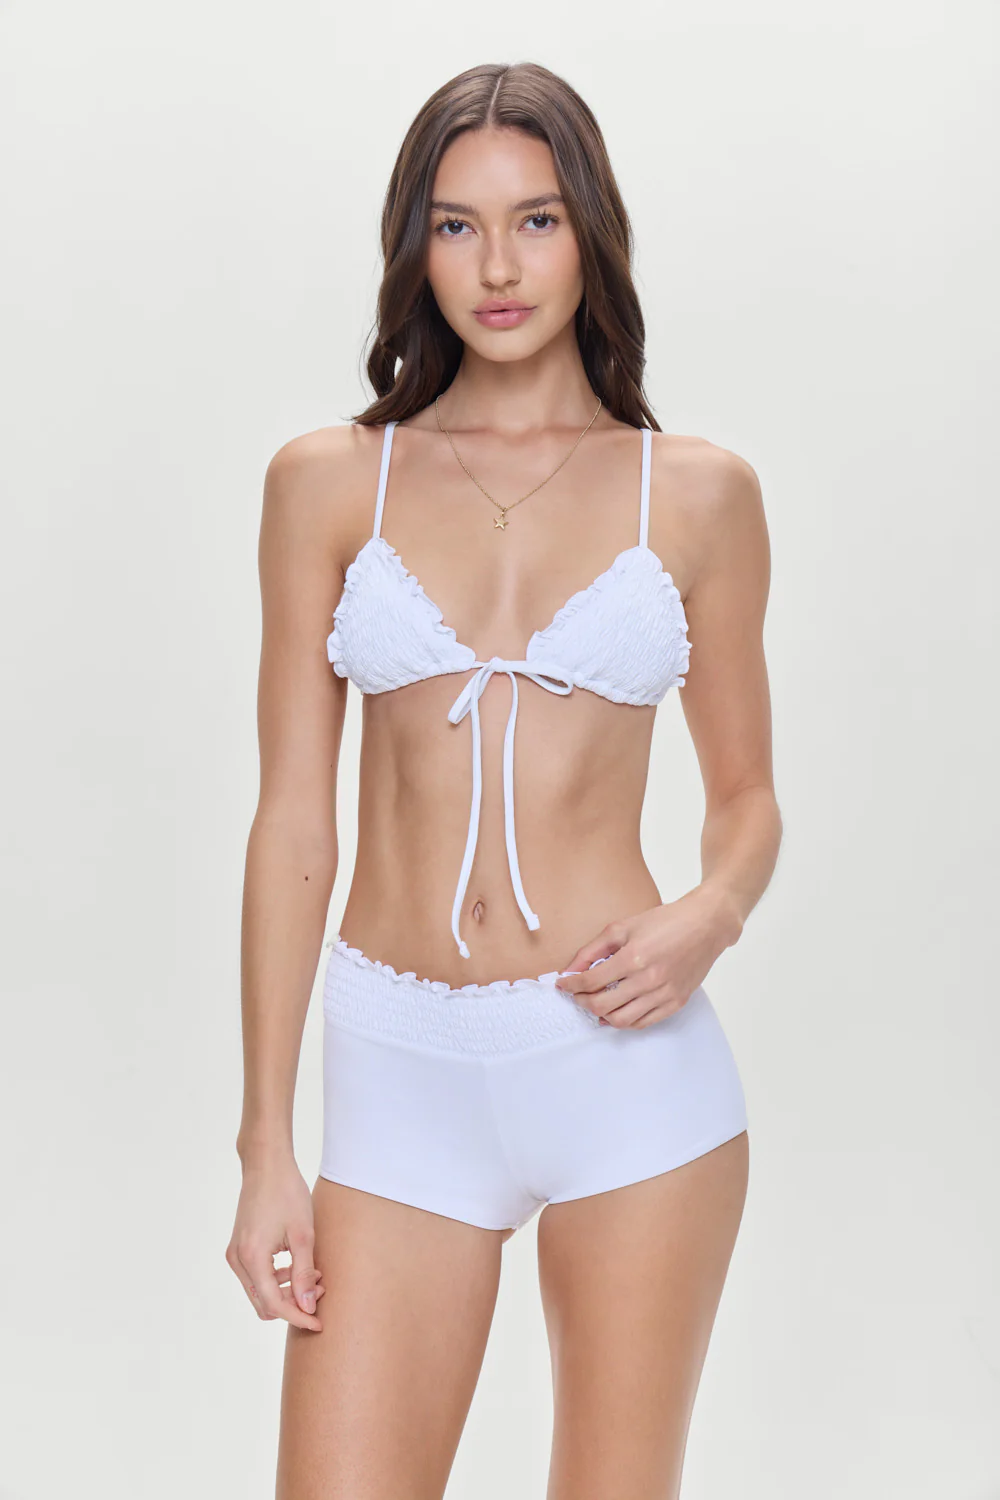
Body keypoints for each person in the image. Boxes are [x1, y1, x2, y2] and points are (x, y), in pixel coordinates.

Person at [227, 60, 782, 1500]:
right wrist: (267, 1142)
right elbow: (293, 822)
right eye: (457, 225)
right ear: (415, 247)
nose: (497, 266)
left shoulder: (697, 494)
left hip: (626, 1069)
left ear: (590, 233)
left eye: (535, 219)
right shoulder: (329, 482)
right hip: (397, 1068)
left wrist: (708, 915)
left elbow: (748, 800)